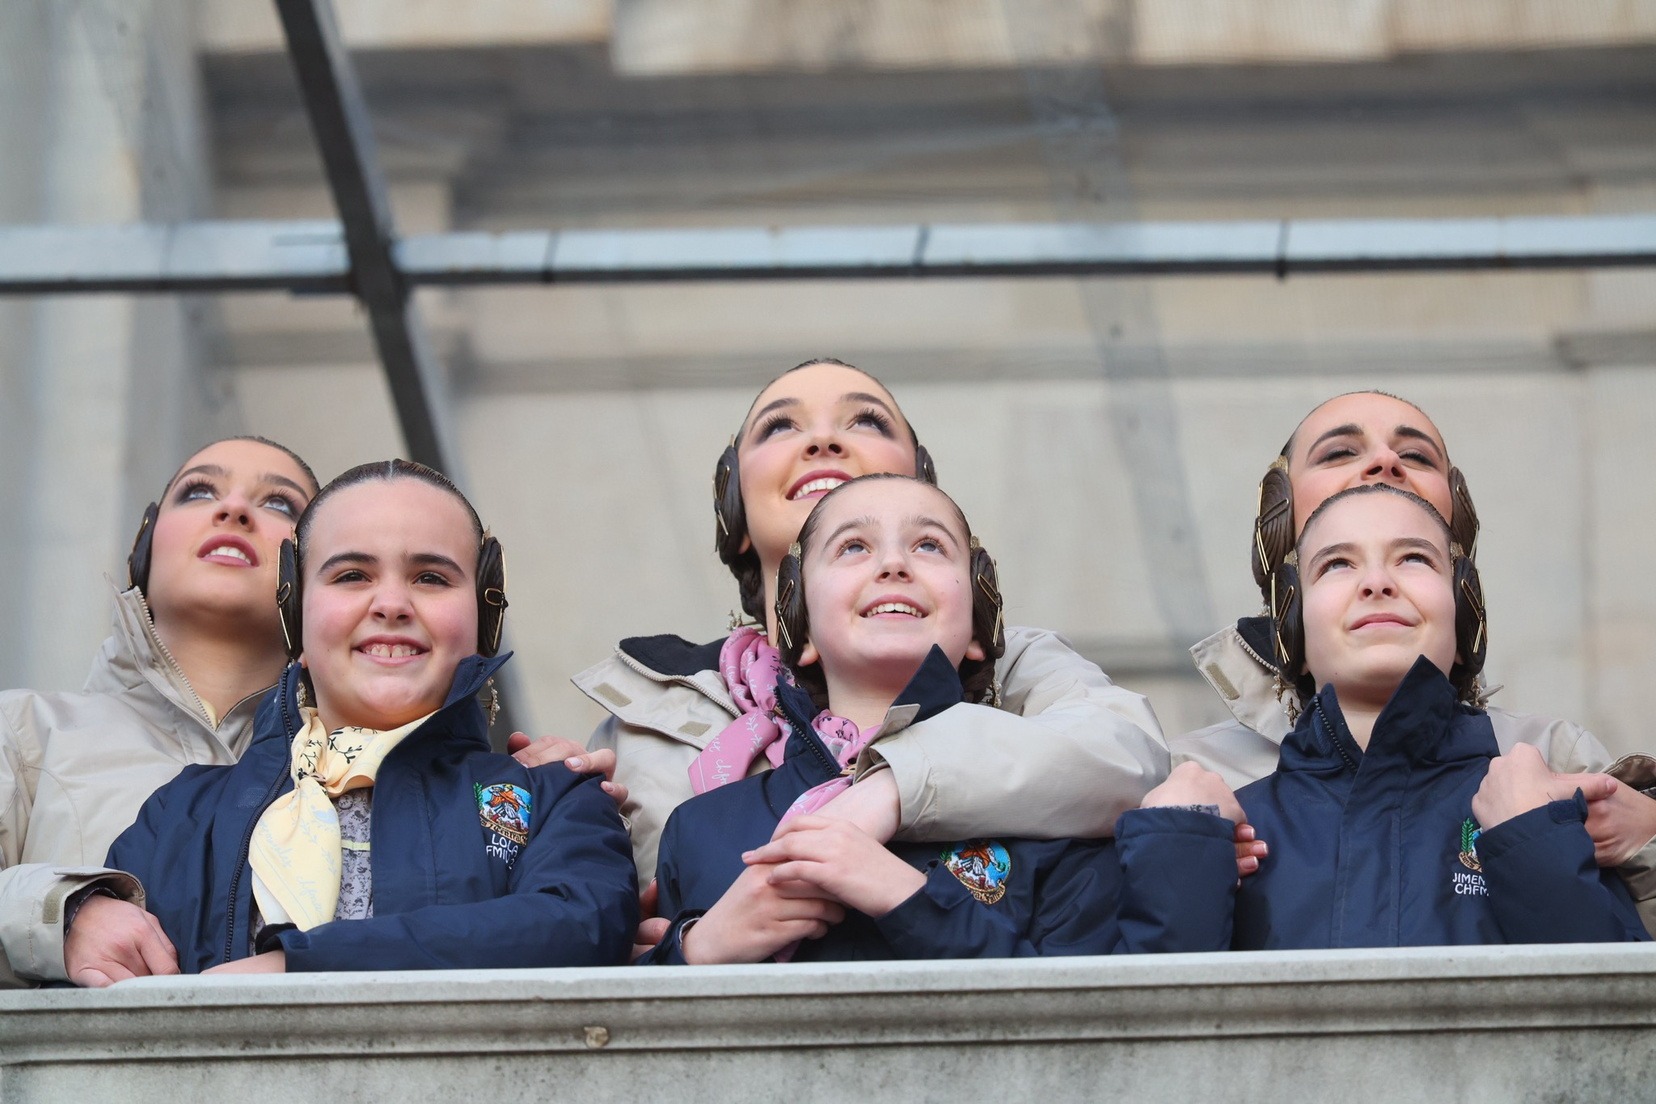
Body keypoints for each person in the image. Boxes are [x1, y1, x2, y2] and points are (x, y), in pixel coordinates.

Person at [574, 358, 1180, 903]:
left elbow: (1131, 759)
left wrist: (897, 786)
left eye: (866, 421)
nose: (823, 440)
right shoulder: (643, 712)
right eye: (780, 427)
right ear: (734, 507)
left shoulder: (1016, 666)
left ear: (922, 484)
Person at [640, 475, 1236, 963]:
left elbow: (1091, 1030)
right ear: (802, 628)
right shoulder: (701, 827)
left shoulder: (1058, 811)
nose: (893, 563)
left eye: (929, 545)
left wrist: (908, 899)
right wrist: (693, 953)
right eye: (852, 547)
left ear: (978, 630)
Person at [106, 460, 637, 974]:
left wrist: (304, 967)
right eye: (353, 575)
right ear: (295, 617)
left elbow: (580, 927)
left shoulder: (557, 800)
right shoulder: (180, 815)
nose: (391, 603)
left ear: (484, 619)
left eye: (430, 577)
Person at [1172, 391, 1656, 926]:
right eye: (1339, 452)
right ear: (1277, 515)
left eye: (1417, 456)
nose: (1385, 463)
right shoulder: (1190, 775)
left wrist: (1649, 837)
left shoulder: (1553, 756)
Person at [0, 437, 320, 987]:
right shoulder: (21, 730)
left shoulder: (375, 768)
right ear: (144, 548)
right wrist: (58, 915)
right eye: (198, 491)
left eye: (278, 503)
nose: (234, 509)